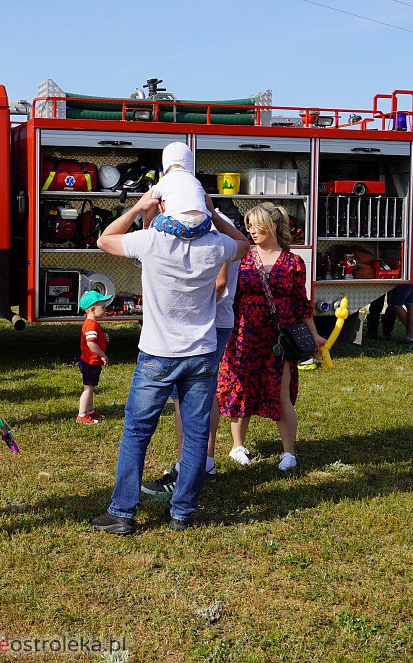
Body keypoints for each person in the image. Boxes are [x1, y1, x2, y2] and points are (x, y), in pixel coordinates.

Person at [90, 189, 247, 534]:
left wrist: (138, 207)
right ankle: (183, 512)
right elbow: (244, 244)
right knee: (195, 433)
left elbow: (106, 240)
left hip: (158, 353)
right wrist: (214, 213)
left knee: (137, 432)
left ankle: (122, 513)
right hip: (201, 353)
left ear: (164, 207)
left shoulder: (151, 241)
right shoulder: (216, 244)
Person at [217, 203, 327, 474]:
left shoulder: (293, 262)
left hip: (280, 338)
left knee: (281, 392)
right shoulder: (242, 258)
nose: (251, 230)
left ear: (274, 226)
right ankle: (237, 445)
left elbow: (301, 303)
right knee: (240, 386)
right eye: (249, 225)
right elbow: (229, 296)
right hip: (244, 333)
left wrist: (314, 336)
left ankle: (289, 452)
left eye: (256, 225)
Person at [141, 257, 240, 494]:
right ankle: (201, 464)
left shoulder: (207, 225)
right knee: (201, 394)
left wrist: (192, 314)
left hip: (201, 323)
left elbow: (219, 283)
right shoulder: (223, 227)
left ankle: (190, 470)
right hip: (212, 321)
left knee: (188, 397)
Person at [147, 142, 211, 240]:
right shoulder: (195, 180)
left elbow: (153, 197)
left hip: (178, 226)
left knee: (155, 222)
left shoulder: (165, 180)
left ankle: (147, 232)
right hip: (203, 226)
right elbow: (205, 198)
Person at [386, 223, 413, 344]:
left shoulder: (404, 231)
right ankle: (410, 336)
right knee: (412, 305)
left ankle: (412, 330)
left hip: (410, 273)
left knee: (395, 304)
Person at [76, 290, 113, 424]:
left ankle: (90, 411)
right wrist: (102, 355)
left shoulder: (92, 324)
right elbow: (91, 344)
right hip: (91, 362)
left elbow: (94, 339)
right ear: (92, 309)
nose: (105, 310)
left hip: (90, 362)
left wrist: (103, 338)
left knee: (90, 387)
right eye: (102, 307)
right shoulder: (91, 324)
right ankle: (82, 415)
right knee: (88, 389)